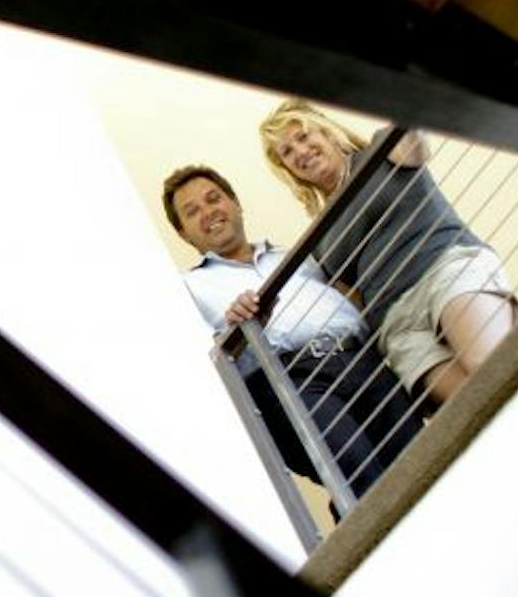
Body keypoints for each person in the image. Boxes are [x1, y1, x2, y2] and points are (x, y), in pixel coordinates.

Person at [164, 164, 425, 499]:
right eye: (192, 212)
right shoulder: (188, 289)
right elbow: (204, 367)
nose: (208, 212)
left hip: (364, 363)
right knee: (360, 475)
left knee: (422, 459)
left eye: (214, 199)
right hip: (291, 382)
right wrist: (237, 332)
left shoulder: (297, 255)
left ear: (235, 203)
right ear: (184, 233)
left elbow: (353, 295)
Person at [258, 99, 518, 403]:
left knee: (491, 367)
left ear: (328, 133)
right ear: (287, 170)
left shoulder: (382, 150)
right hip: (398, 327)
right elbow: (354, 300)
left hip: (444, 271)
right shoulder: (319, 237)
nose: (300, 151)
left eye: (303, 136)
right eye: (287, 152)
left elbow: (415, 142)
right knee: (473, 405)